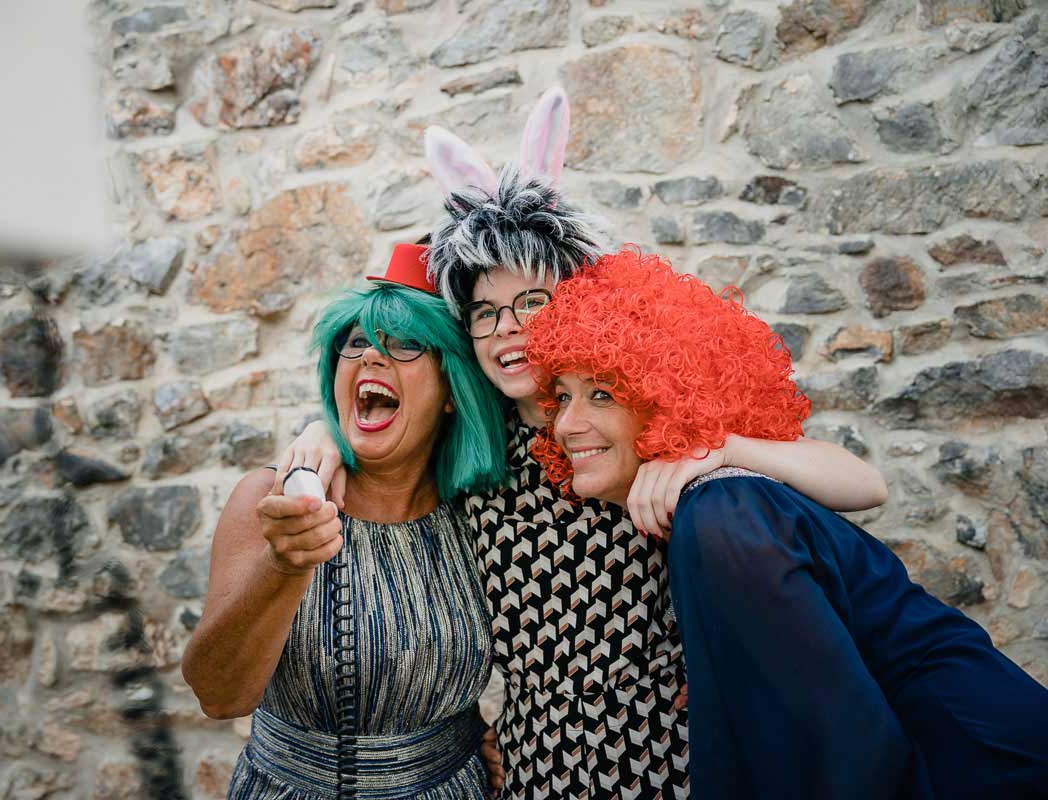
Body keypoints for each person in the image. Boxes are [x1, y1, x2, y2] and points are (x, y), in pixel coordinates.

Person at [279, 89, 891, 799]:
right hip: (539, 773)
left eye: (530, 303)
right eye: (484, 312)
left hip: (673, 765)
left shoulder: (638, 421)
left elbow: (863, 485)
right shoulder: (472, 449)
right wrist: (320, 433)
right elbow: (382, 424)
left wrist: (721, 451)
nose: (507, 328)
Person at [524, 247, 1048, 800]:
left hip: (980, 767)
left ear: (666, 402)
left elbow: (839, 749)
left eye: (601, 394)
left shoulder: (723, 514)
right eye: (561, 396)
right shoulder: (717, 502)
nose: (567, 424)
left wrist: (721, 446)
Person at [181, 244, 510, 799]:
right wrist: (283, 565)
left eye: (405, 343)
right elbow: (219, 696)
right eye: (356, 342)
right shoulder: (268, 498)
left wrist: (500, 736)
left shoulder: (477, 515)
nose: (371, 356)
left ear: (452, 391)